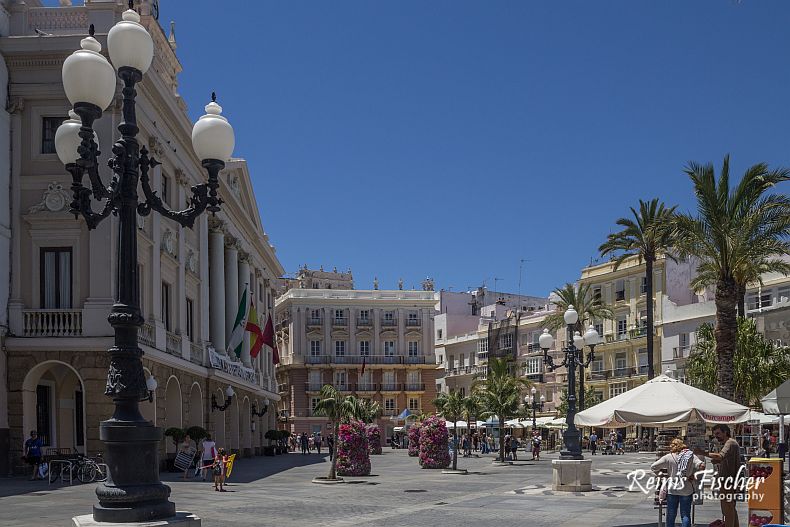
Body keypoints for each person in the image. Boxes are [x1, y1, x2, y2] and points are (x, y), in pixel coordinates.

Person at [695, 424, 741, 527]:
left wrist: (702, 453)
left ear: (725, 432)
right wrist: (719, 461)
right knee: (731, 509)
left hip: (728, 482)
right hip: (730, 481)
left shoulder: (730, 443)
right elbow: (726, 458)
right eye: (715, 434)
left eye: (718, 433)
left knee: (727, 510)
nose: (716, 436)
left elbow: (720, 456)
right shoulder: (731, 443)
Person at [652, 438, 704, 527]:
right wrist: (693, 475)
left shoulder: (668, 457)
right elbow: (702, 465)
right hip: (686, 488)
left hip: (673, 488)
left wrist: (661, 476)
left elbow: (653, 467)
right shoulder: (690, 456)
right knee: (685, 514)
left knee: (671, 514)